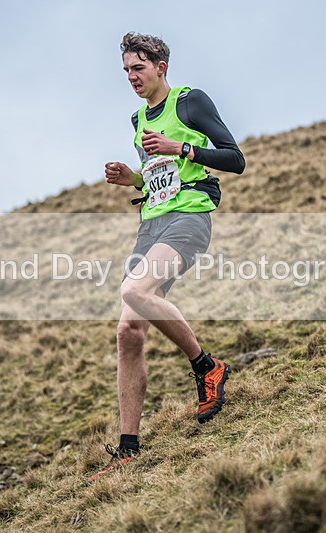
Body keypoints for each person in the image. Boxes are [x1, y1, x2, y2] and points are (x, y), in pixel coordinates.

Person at [89, 32, 245, 482]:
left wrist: (183, 147)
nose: (132, 78)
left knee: (135, 290)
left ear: (161, 66)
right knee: (128, 331)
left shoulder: (191, 102)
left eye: (138, 68)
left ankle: (206, 365)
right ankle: (127, 449)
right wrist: (133, 180)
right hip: (151, 225)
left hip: (189, 219)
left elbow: (235, 159)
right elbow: (160, 179)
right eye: (126, 72)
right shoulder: (137, 119)